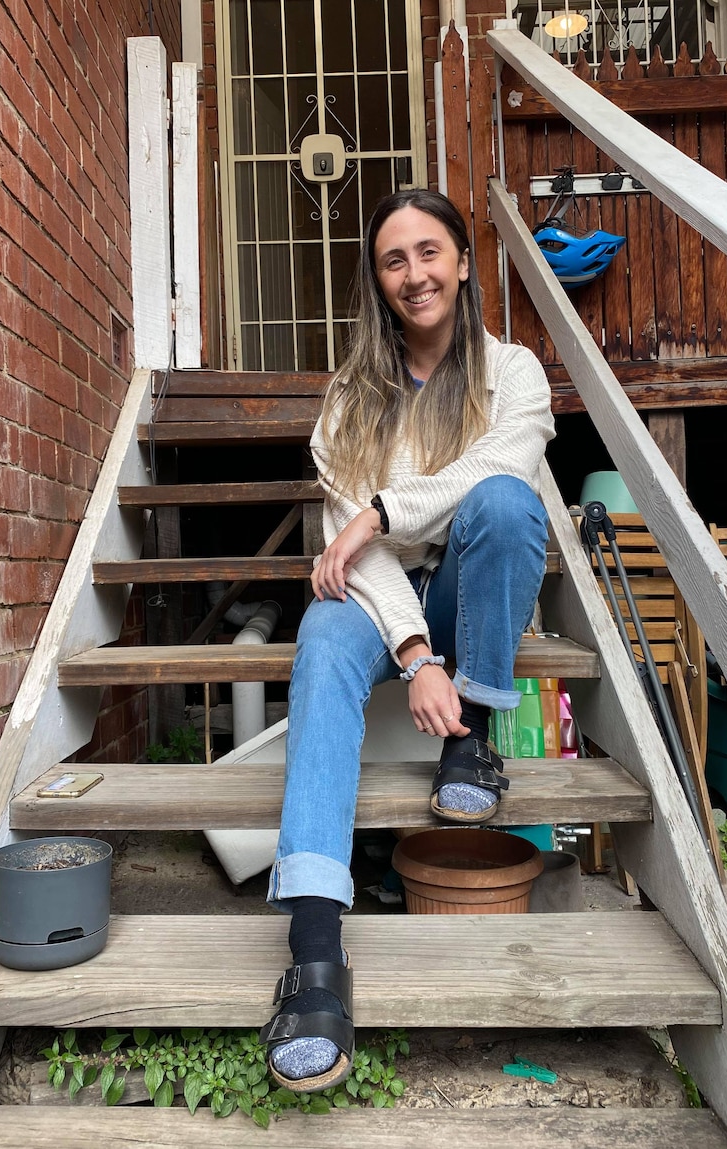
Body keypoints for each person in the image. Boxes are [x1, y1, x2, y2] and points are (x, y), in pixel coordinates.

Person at [259, 189, 555, 1093]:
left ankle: (469, 742)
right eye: (394, 260)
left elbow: (498, 471)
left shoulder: (516, 373)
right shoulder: (350, 399)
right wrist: (418, 654)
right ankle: (314, 955)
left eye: (431, 252)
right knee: (319, 637)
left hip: (471, 570)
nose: (415, 274)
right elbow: (355, 553)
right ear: (378, 281)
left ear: (464, 262)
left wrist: (384, 510)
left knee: (507, 506)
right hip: (386, 592)